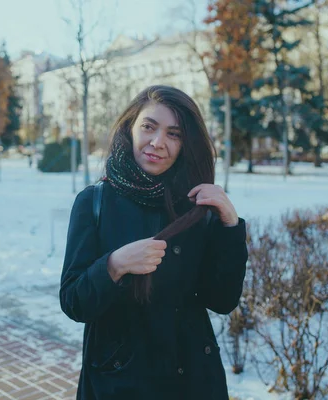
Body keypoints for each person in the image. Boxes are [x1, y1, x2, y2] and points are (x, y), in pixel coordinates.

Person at [60, 85, 248, 400]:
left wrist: (230, 224)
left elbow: (222, 300)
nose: (158, 143)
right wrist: (114, 265)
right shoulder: (95, 201)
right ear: (130, 128)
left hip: (191, 379)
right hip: (117, 381)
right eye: (149, 127)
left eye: (174, 134)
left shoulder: (197, 205)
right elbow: (73, 301)